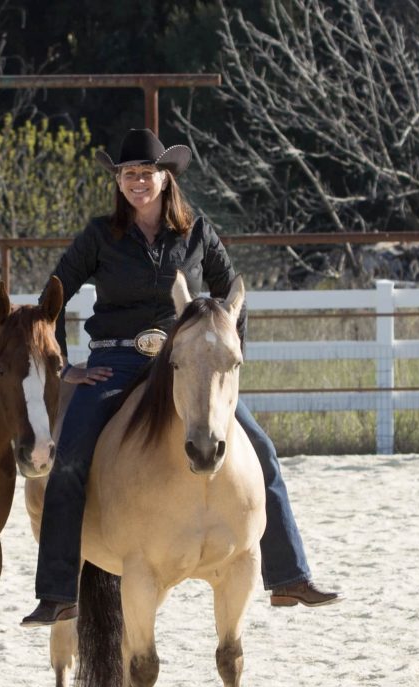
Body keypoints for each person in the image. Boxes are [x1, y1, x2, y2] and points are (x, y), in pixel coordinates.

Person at [22, 129, 341, 627]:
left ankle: (288, 576)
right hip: (117, 360)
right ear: (120, 182)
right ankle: (59, 590)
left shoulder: (196, 232)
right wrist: (67, 365)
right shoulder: (100, 235)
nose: (137, 183)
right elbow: (54, 294)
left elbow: (230, 292)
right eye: (128, 175)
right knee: (71, 458)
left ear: (165, 178)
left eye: (146, 174)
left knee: (261, 448)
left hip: (188, 363)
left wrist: (230, 364)